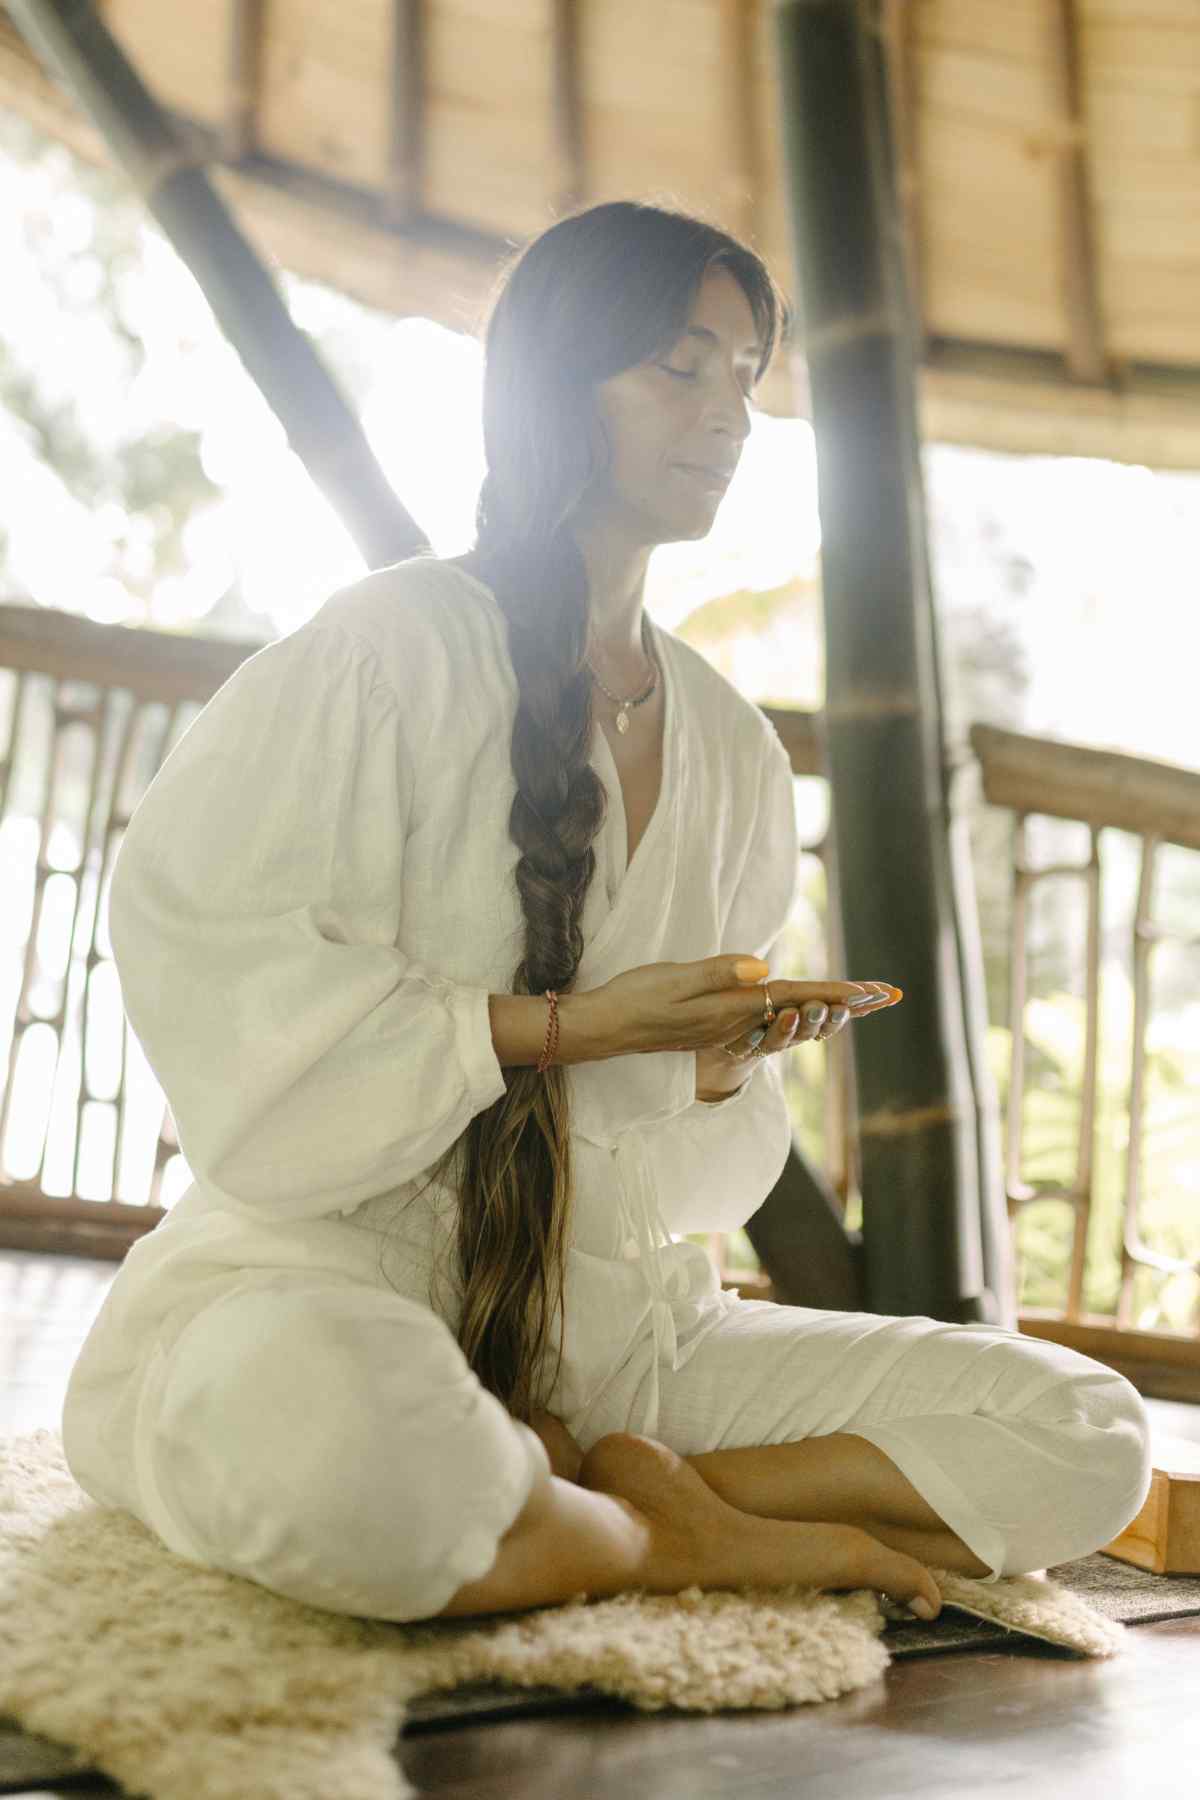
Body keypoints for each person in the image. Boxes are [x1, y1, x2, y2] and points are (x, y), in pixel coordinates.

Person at [61, 201, 1152, 1629]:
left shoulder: (732, 746)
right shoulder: (384, 652)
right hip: (330, 1281)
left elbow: (683, 1177)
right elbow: (216, 956)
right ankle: (669, 1540)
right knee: (354, 1451)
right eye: (679, 367)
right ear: (553, 385)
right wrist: (568, 1027)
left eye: (747, 378)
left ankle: (591, 1494)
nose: (730, 416)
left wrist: (701, 1067)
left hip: (617, 1330)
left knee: (1088, 1434)